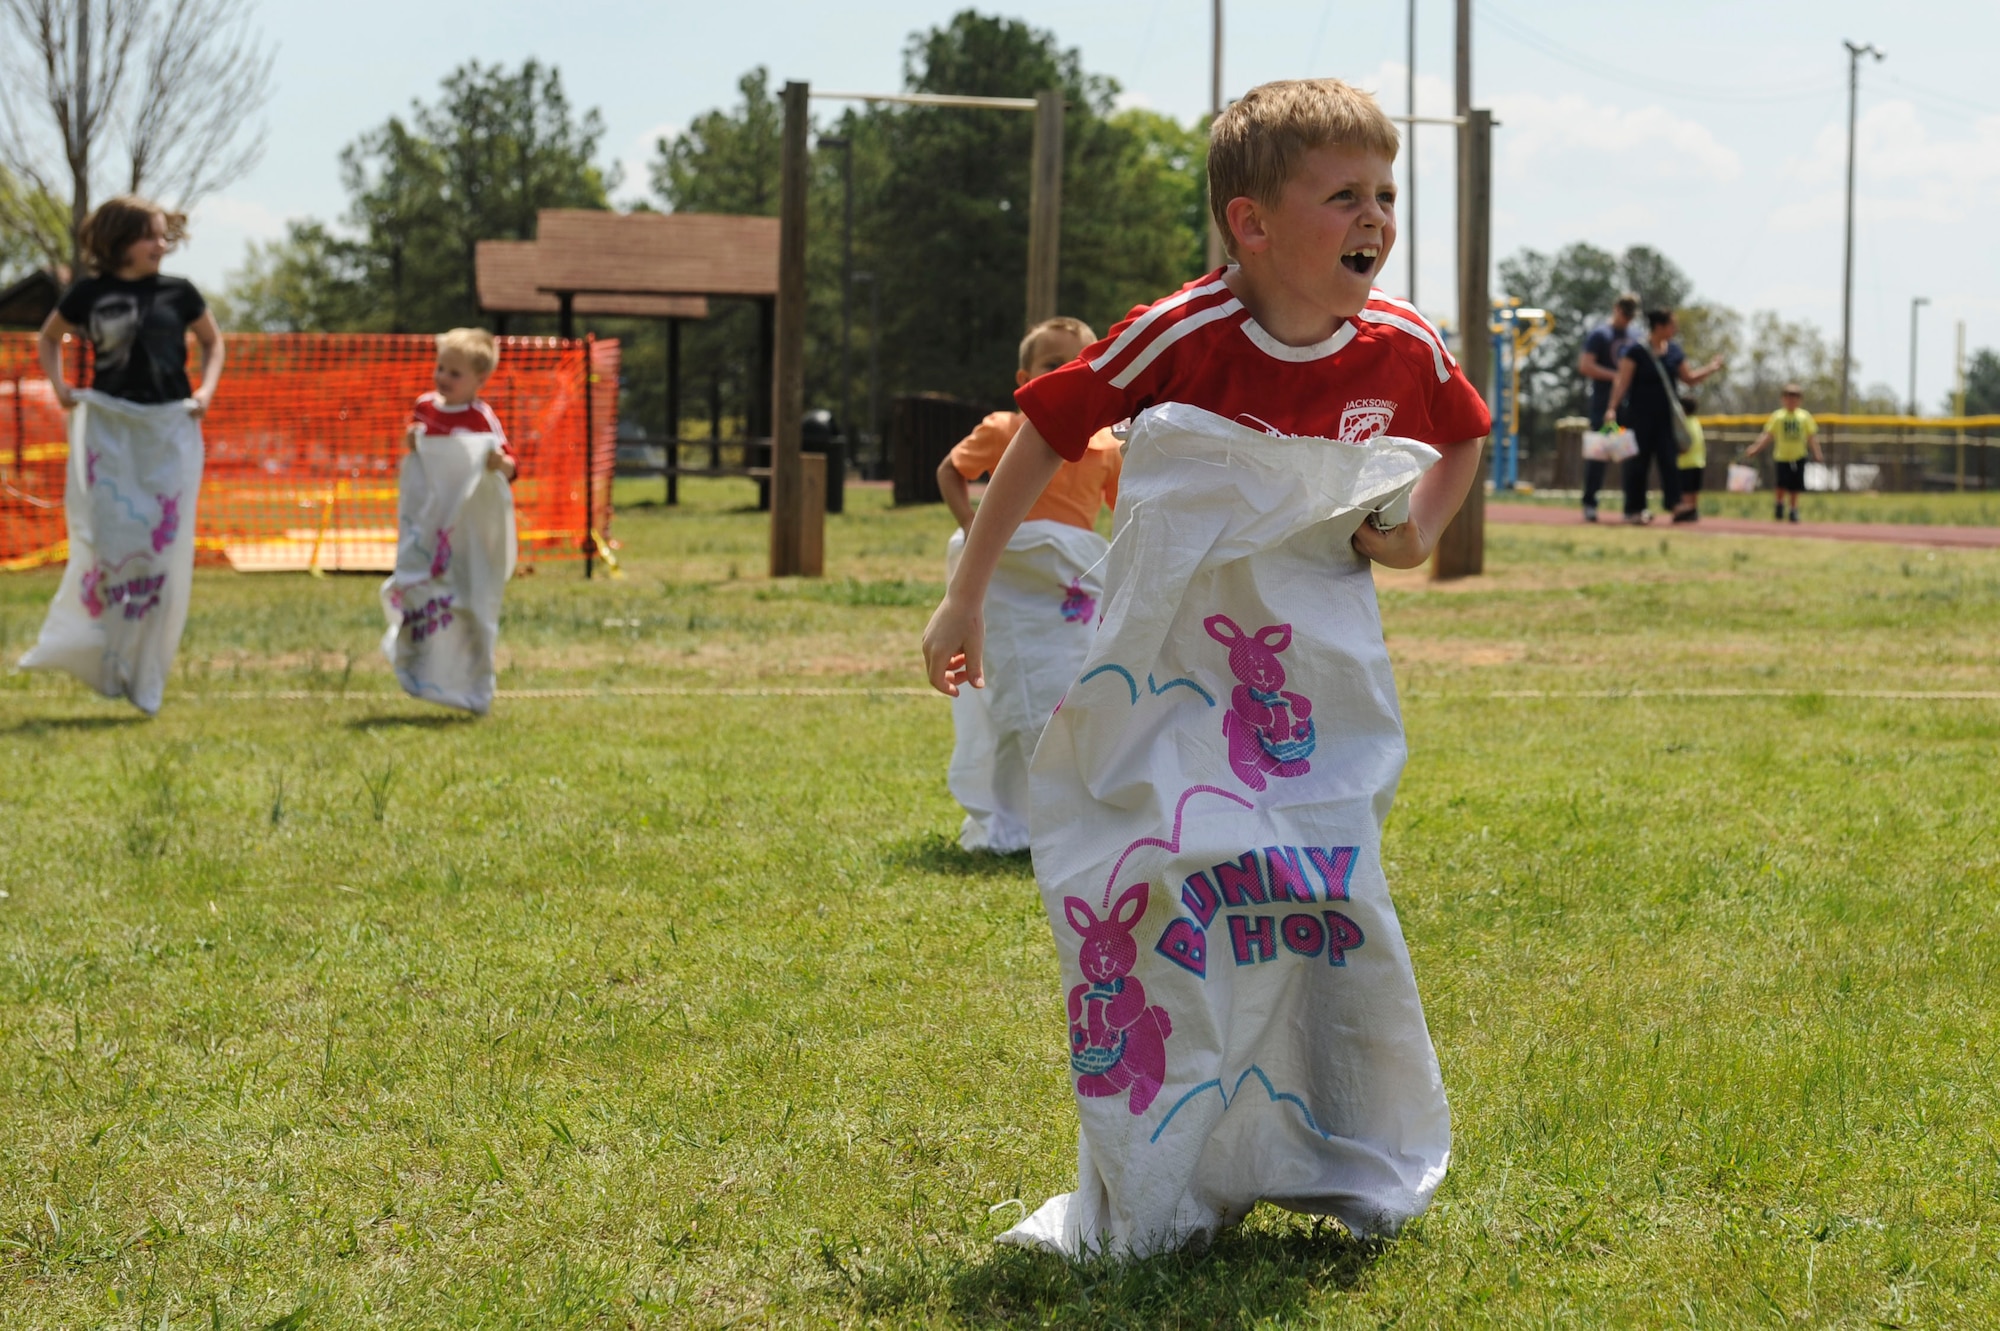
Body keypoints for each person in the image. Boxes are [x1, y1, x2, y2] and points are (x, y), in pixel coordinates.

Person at [924, 78, 1489, 1258]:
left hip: (1317, 682)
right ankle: (1167, 1163)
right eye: (1342, 196)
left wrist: (1418, 530)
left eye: (1384, 194)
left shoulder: (1402, 343)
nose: (1374, 217)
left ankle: (1332, 1144)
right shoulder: (1182, 333)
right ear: (1252, 223)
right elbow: (1047, 430)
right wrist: (964, 592)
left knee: (1320, 889)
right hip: (1169, 662)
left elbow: (1463, 427)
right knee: (1166, 873)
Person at [19, 197, 222, 714]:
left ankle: (146, 669)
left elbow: (212, 342)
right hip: (109, 430)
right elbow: (49, 339)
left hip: (167, 431)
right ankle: (106, 655)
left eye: (163, 237)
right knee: (112, 546)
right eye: (149, 236)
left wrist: (205, 391)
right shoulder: (89, 294)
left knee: (162, 550)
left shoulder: (180, 293)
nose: (161, 245)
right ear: (120, 241)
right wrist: (61, 386)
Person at [934, 315, 1122, 853]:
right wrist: (974, 527)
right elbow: (952, 469)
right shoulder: (1004, 429)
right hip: (1012, 583)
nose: (1064, 373)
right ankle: (1015, 821)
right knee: (1017, 699)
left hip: (1069, 586)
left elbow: (1122, 510)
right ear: (1025, 379)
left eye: (1076, 364)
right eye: (1050, 365)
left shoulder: (1106, 445)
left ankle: (1074, 812)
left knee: (1069, 692)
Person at [1603, 308, 1713, 523]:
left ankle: (1676, 505)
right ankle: (1635, 510)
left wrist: (1711, 368)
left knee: (1669, 461)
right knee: (1637, 464)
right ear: (1659, 327)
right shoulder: (1635, 351)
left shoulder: (1674, 351)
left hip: (1666, 419)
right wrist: (1612, 408)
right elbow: (1622, 381)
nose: (1676, 329)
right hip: (1639, 417)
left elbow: (1688, 378)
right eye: (1672, 325)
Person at [407, 327, 517, 480]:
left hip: (468, 501)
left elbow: (512, 467)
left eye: (454, 374)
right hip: (433, 500)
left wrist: (499, 463)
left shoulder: (481, 417)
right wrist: (412, 440)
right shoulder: (424, 406)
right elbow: (417, 454)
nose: (443, 377)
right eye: (440, 368)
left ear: (480, 380)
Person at [1575, 294, 1638, 522]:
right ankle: (1590, 503)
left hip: (1629, 407)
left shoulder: (1635, 336)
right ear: (1616, 309)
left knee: (1629, 456)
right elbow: (1585, 365)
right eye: (1625, 313)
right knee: (1598, 456)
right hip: (1603, 406)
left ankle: (1632, 507)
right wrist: (1617, 376)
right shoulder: (1600, 335)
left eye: (1632, 315)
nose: (1627, 319)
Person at [1742, 383, 1822, 522]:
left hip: (1799, 455)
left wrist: (1817, 452)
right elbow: (1767, 435)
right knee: (1781, 484)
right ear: (1783, 399)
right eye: (1788, 398)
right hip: (1782, 456)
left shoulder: (1804, 416)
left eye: (1795, 398)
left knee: (1795, 485)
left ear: (1800, 400)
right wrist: (1755, 448)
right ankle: (1779, 505)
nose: (1791, 401)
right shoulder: (1778, 416)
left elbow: (1811, 437)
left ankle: (1793, 509)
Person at [1672, 393, 1705, 522]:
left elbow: (1684, 445)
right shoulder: (1696, 421)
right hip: (1698, 462)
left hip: (1685, 462)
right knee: (1693, 489)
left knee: (1686, 490)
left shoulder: (1683, 423)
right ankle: (1693, 511)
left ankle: (1687, 512)